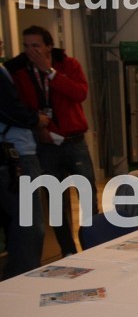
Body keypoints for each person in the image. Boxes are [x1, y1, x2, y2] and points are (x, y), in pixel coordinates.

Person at [5, 25, 97, 257]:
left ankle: (94, 247)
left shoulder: (68, 65)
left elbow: (80, 93)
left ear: (48, 46)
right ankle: (68, 252)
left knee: (87, 196)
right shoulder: (19, 71)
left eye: (36, 46)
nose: (30, 51)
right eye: (26, 46)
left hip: (74, 141)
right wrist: (37, 128)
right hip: (46, 144)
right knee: (56, 202)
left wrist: (50, 72)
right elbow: (21, 106)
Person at [0, 44, 45, 279]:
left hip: (15, 156)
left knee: (20, 225)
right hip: (15, 158)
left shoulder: (7, 69)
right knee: (29, 227)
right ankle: (22, 281)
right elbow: (11, 110)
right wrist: (35, 119)